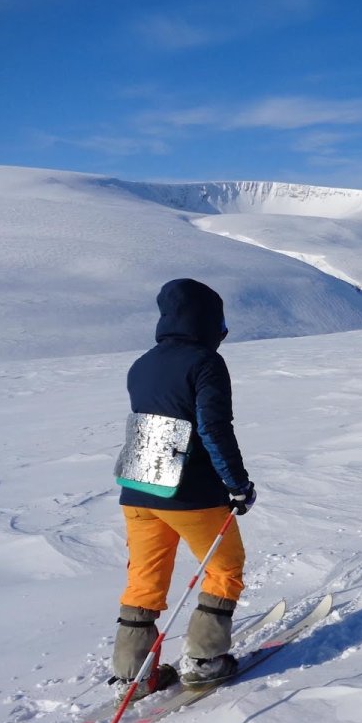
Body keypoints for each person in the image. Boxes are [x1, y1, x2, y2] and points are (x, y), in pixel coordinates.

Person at [110, 277, 256, 699]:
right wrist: (237, 484)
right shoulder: (205, 363)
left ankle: (131, 676)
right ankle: (205, 660)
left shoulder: (141, 363)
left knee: (144, 582)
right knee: (225, 568)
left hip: (137, 488)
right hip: (190, 493)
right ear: (208, 320)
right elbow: (212, 428)